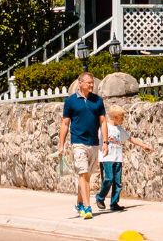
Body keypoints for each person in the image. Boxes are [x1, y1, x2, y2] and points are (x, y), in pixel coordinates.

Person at [57, 72, 106, 220]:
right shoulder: (71, 101)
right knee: (83, 173)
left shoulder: (97, 100)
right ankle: (87, 206)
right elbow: (65, 124)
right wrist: (61, 144)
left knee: (86, 177)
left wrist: (105, 142)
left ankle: (79, 203)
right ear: (80, 83)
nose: (92, 85)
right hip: (78, 142)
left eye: (92, 82)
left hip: (94, 143)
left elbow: (103, 122)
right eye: (88, 82)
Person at [95, 104, 152, 213]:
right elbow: (96, 141)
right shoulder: (104, 127)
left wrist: (144, 145)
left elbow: (131, 139)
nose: (123, 120)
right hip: (107, 157)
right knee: (109, 178)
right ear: (115, 117)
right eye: (122, 117)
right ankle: (100, 197)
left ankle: (114, 203)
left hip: (117, 158)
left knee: (118, 182)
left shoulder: (119, 129)